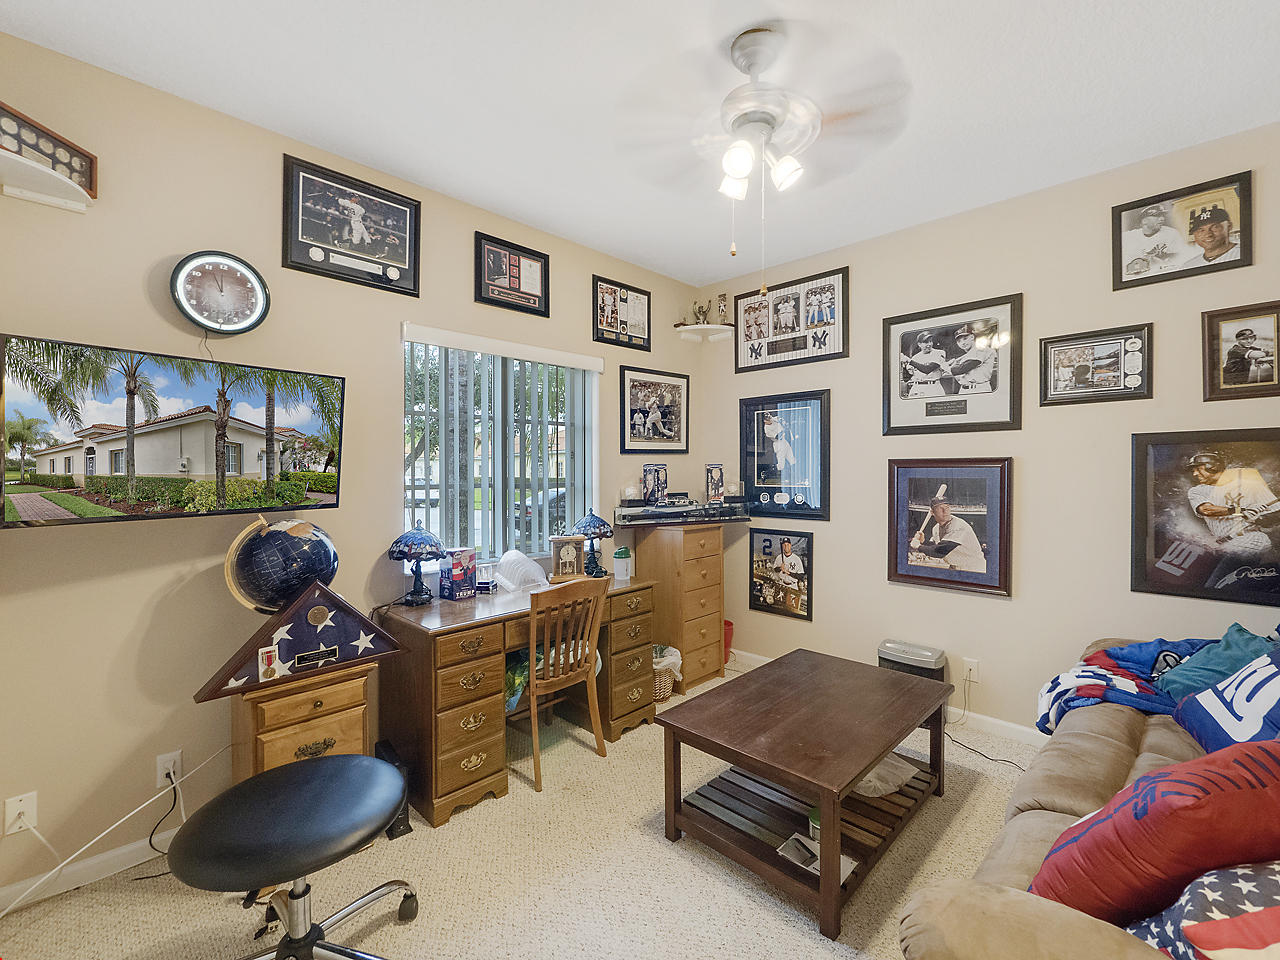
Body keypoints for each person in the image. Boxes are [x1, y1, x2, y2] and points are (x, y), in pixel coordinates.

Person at [1186, 452, 1279, 558]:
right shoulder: (1197, 491)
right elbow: (1206, 510)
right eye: (1193, 471)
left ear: (1212, 467)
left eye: (1198, 469)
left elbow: (1277, 513)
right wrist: (1241, 511)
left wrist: (1261, 518)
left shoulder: (1251, 485)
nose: (1195, 474)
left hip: (1251, 538)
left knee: (1227, 564)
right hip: (1223, 544)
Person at [910, 497, 986, 572]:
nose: (945, 511)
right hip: (954, 567)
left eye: (947, 507)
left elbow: (939, 552)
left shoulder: (958, 526)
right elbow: (937, 545)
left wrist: (918, 546)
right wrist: (923, 542)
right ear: (932, 512)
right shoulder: (936, 528)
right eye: (940, 508)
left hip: (974, 568)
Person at [1121, 204, 1190, 277]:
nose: (1162, 218)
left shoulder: (1172, 233)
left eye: (1162, 215)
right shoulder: (1127, 236)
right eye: (1157, 216)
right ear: (1144, 221)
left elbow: (1182, 258)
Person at [949, 324, 997, 393]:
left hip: (979, 389)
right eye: (959, 341)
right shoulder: (967, 355)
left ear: (972, 337)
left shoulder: (981, 349)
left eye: (965, 339)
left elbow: (962, 369)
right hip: (963, 389)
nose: (963, 343)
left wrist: (947, 367)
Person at [900, 331, 949, 398]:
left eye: (930, 341)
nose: (929, 344)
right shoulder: (915, 357)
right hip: (916, 388)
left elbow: (927, 369)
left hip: (933, 387)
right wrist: (904, 365)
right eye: (926, 342)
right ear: (919, 344)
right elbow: (906, 378)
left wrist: (909, 360)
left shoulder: (939, 353)